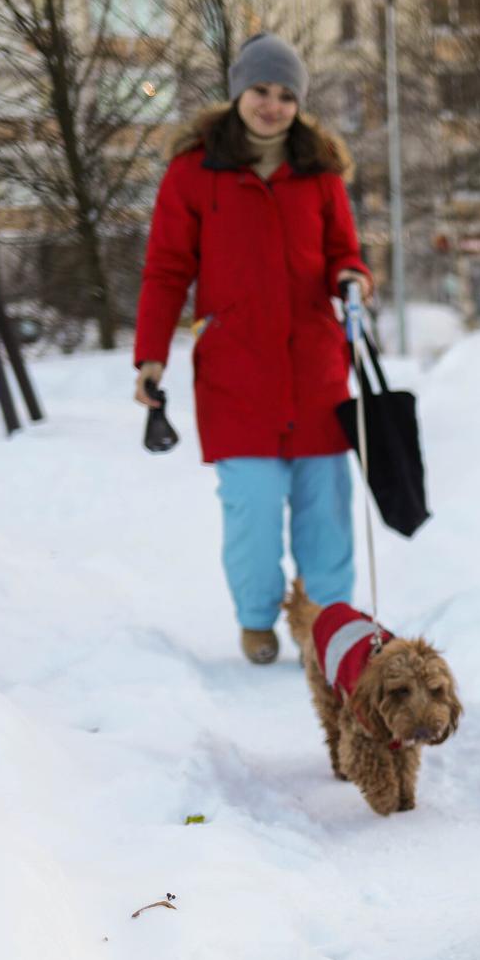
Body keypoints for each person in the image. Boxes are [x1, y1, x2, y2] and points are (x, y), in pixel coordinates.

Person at [133, 33, 372, 665]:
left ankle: (327, 627)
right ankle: (257, 617)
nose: (273, 105)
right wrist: (150, 356)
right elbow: (165, 270)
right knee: (253, 514)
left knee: (327, 512)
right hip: (236, 374)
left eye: (287, 95)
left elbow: (343, 254)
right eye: (262, 90)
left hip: (314, 370)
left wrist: (351, 278)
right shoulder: (194, 172)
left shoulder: (319, 174)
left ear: (300, 102)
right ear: (240, 90)